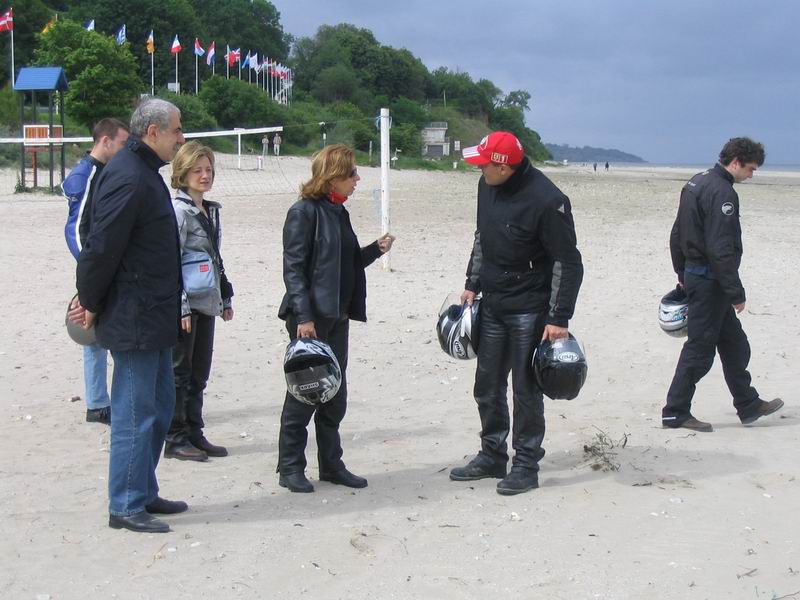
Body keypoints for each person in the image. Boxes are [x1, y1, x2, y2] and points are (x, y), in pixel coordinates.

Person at [74, 98, 186, 533]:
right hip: (134, 313)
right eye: (176, 130)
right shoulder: (128, 174)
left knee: (160, 406)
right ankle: (124, 504)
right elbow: (99, 244)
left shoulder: (143, 171)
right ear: (152, 132)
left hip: (154, 311)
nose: (181, 138)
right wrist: (91, 301)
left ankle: (143, 489)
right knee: (135, 413)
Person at [450, 131, 583, 495]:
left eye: (483, 165)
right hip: (493, 302)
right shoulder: (487, 186)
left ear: (504, 167)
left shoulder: (548, 200)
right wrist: (472, 282)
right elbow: (482, 237)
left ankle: (526, 464)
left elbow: (568, 262)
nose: (479, 170)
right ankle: (492, 455)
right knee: (487, 385)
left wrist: (558, 317)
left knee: (526, 390)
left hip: (531, 308)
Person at [277, 143, 395, 493]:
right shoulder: (303, 212)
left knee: (334, 394)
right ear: (333, 177)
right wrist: (304, 317)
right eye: (352, 174)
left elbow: (346, 262)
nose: (357, 179)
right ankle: (290, 467)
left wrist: (375, 250)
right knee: (305, 393)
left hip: (337, 315)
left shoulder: (337, 211)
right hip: (311, 318)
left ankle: (331, 464)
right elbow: (293, 270)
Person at [662, 137, 783, 432]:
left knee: (734, 344)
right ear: (736, 162)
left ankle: (747, 403)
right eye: (751, 169)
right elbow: (720, 248)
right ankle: (675, 411)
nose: (751, 175)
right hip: (709, 281)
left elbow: (676, 233)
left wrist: (682, 272)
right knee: (700, 350)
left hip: (699, 276)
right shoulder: (722, 192)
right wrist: (735, 292)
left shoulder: (696, 182)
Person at [164, 142, 234, 462]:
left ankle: (194, 431)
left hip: (206, 299)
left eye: (208, 170)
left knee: (199, 372)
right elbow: (170, 261)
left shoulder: (208, 209)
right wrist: (180, 305)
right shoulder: (178, 212)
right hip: (186, 304)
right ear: (183, 173)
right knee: (180, 371)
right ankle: (175, 437)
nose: (205, 176)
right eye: (198, 170)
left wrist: (225, 296)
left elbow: (213, 257)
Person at [63, 118, 129, 425]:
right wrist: (91, 268)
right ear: (105, 141)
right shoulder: (86, 175)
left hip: (103, 264)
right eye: (122, 144)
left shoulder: (104, 171)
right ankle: (99, 404)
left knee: (99, 331)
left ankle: (101, 402)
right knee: (93, 332)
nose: (125, 150)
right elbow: (76, 229)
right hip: (97, 268)